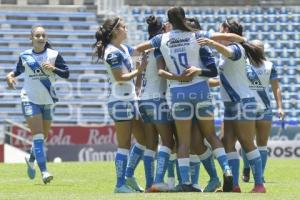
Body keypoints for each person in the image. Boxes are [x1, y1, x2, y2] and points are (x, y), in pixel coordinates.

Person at [134, 7, 249, 192]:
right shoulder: (197, 35)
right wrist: (242, 40)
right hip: (200, 90)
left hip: (178, 93)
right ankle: (226, 170)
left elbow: (137, 49)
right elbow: (227, 38)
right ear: (184, 18)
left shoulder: (162, 38)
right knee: (211, 135)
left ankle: (185, 182)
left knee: (184, 141)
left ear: (169, 21)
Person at [197, 18, 267, 193]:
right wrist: (199, 78)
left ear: (227, 30)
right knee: (226, 141)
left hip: (243, 103)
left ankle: (259, 185)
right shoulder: (226, 53)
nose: (218, 31)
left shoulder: (237, 49)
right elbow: (221, 81)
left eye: (221, 29)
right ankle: (234, 185)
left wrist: (212, 42)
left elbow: (228, 51)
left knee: (246, 141)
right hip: (231, 105)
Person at [6, 26, 70, 184]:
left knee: (43, 137)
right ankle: (45, 171)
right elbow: (17, 71)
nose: (41, 38)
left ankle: (31, 158)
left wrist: (53, 68)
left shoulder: (54, 55)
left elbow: (67, 73)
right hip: (29, 98)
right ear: (31, 38)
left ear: (46, 38)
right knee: (38, 136)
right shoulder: (25, 55)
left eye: (43, 35)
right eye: (37, 35)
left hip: (48, 100)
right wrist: (10, 76)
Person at [93, 17, 148, 193]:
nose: (126, 29)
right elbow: (119, 78)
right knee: (124, 144)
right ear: (116, 31)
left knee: (144, 140)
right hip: (120, 101)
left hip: (130, 99)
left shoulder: (122, 48)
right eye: (123, 27)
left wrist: (161, 43)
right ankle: (120, 184)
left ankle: (129, 176)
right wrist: (139, 71)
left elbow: (138, 51)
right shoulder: (112, 52)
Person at [136, 15, 175, 192]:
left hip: (143, 100)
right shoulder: (159, 48)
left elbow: (139, 76)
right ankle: (159, 181)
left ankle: (148, 184)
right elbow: (162, 71)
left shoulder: (145, 50)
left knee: (150, 144)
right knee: (168, 141)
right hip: (156, 99)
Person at [241, 39, 284, 183]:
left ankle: (260, 175)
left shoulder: (270, 66)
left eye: (260, 47)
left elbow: (276, 87)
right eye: (255, 47)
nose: (258, 49)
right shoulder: (243, 64)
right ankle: (247, 168)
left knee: (262, 143)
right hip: (247, 108)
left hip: (265, 109)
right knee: (248, 142)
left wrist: (280, 107)